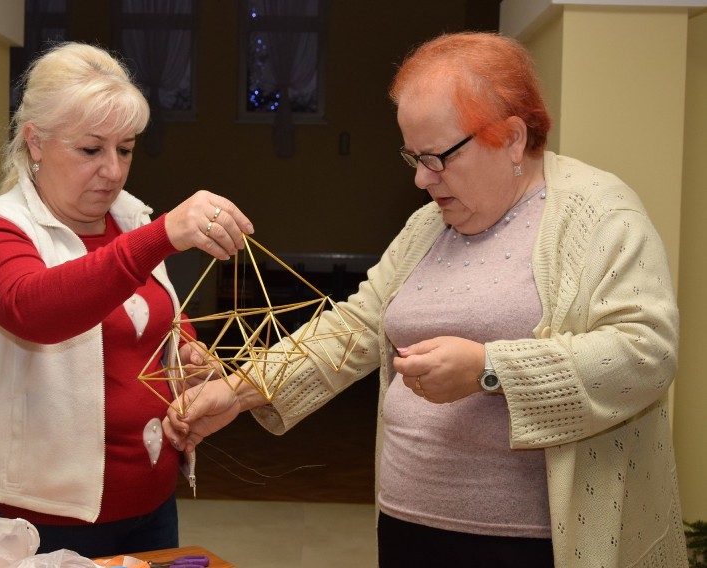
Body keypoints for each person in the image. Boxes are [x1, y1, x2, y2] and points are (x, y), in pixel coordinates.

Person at [164, 31, 688, 567]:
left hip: (530, 546)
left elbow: (646, 353)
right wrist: (239, 388)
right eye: (412, 157)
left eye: (436, 157)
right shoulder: (427, 225)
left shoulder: (598, 213)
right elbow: (358, 326)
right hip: (409, 525)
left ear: (510, 137)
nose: (420, 179)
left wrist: (491, 368)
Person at [0, 42, 253, 559]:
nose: (113, 170)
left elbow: (153, 320)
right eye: (92, 150)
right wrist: (160, 237)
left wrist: (188, 354)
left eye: (126, 149)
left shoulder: (130, 219)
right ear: (35, 142)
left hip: (154, 502)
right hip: (48, 515)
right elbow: (36, 311)